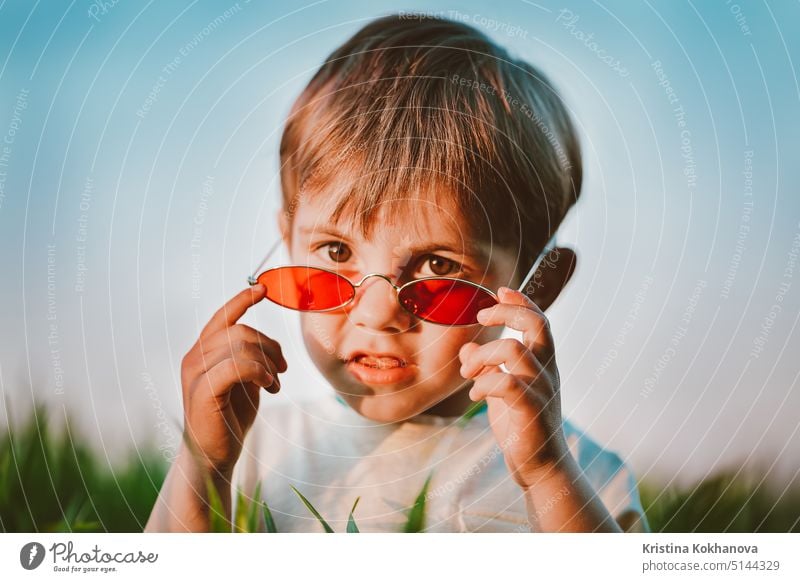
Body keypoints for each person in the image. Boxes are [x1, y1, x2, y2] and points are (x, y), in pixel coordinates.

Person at [145, 13, 648, 533]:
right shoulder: (256, 452)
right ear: (289, 241)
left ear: (538, 284)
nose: (378, 312)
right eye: (336, 252)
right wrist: (202, 466)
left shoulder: (584, 477)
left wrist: (546, 477)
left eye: (438, 266)